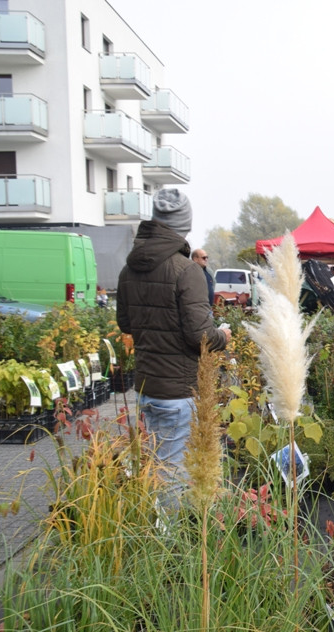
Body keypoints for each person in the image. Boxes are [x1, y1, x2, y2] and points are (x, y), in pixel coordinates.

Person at [116, 189, 231, 498]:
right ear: (184, 224)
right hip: (178, 392)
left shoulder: (129, 269)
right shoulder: (187, 271)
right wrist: (223, 336)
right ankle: (168, 541)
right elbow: (200, 337)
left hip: (146, 388)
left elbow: (126, 324)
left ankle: (156, 532)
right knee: (172, 477)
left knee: (155, 469)